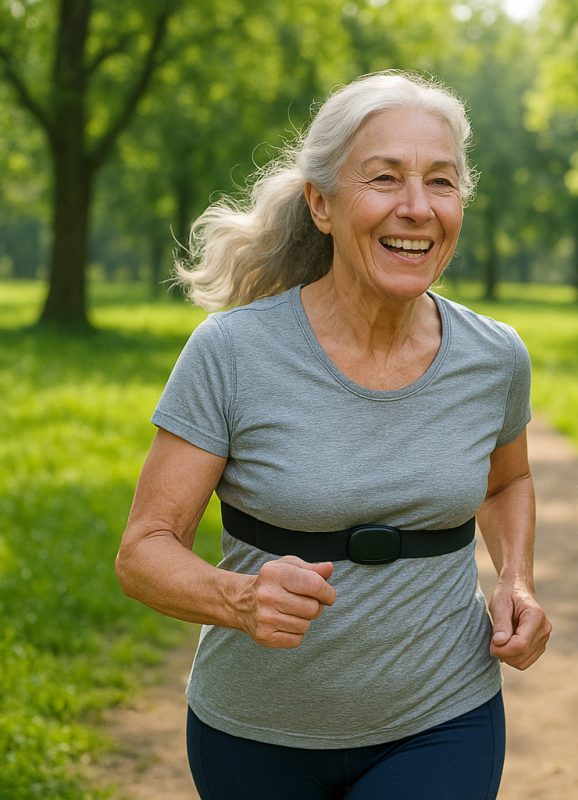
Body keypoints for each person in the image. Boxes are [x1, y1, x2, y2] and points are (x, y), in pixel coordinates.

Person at [115, 70, 551, 799]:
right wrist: (240, 599)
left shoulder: (494, 355)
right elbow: (142, 553)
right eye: (384, 179)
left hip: (444, 716)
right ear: (321, 202)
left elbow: (506, 481)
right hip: (253, 732)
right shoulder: (231, 353)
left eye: (441, 183)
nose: (416, 208)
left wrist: (517, 580)